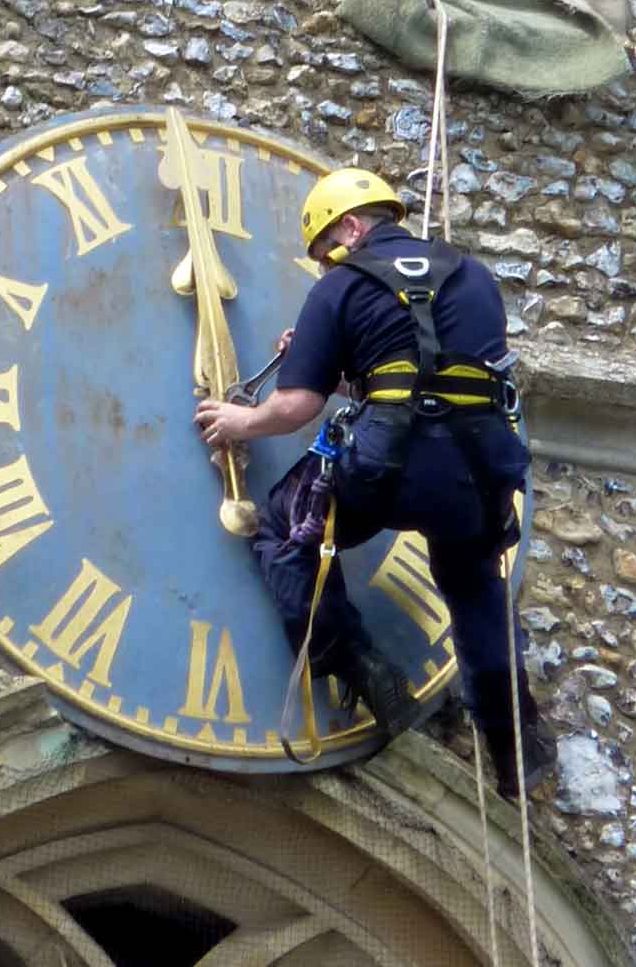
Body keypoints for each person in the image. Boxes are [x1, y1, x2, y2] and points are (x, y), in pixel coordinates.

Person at [194, 167, 552, 799]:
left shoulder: (341, 286)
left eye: (325, 249)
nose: (324, 264)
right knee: (474, 588)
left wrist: (238, 421)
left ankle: (357, 662)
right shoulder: (473, 277)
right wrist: (345, 364)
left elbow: (297, 406)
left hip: (390, 464)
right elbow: (429, 369)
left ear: (352, 228)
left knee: (285, 529)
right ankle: (515, 750)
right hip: (478, 471)